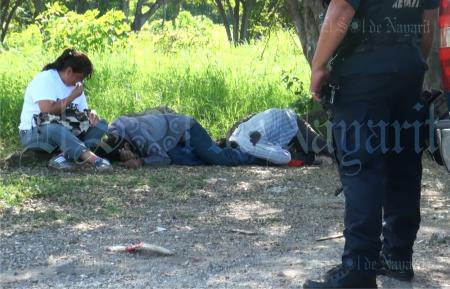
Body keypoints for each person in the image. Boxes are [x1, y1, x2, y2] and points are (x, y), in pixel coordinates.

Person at [303, 0, 439, 288]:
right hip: (407, 71)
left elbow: (342, 8)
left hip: (363, 75)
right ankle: (398, 257)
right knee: (403, 165)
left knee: (361, 168)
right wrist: (410, 65)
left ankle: (358, 270)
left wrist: (318, 65)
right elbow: (428, 20)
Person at [18, 48, 112, 171]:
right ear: (69, 71)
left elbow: (82, 111)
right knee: (54, 127)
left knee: (101, 125)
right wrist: (72, 96)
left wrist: (91, 114)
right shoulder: (45, 79)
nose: (80, 81)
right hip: (36, 132)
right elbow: (47, 110)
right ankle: (93, 159)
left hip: (68, 131)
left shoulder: (76, 86)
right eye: (80, 77)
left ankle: (63, 157)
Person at [101, 107, 255, 168]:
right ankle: (217, 145)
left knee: (220, 160)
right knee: (188, 160)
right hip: (169, 142)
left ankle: (252, 154)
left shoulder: (138, 135)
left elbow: (162, 158)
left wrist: (140, 161)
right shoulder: (113, 131)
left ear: (127, 145)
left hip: (186, 129)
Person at [220, 108, 332, 165]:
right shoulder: (233, 135)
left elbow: (284, 158)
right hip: (277, 118)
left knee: (322, 147)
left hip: (289, 122)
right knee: (313, 147)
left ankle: (343, 156)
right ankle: (314, 157)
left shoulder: (248, 146)